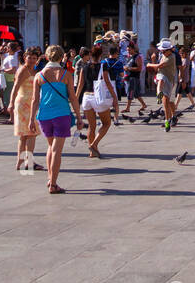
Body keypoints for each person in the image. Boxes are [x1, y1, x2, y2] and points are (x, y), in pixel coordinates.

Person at [29, 44, 82, 192]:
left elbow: (34, 100)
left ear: (46, 57)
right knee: (57, 150)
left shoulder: (39, 76)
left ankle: (49, 179)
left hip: (44, 116)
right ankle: (53, 184)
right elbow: (73, 97)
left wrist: (31, 119)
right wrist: (78, 116)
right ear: (61, 57)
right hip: (61, 115)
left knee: (51, 147)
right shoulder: (65, 75)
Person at [76, 44, 119, 156]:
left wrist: (75, 99)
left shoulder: (84, 67)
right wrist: (114, 97)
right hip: (98, 98)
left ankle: (93, 153)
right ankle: (94, 144)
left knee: (91, 126)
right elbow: (107, 82)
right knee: (106, 123)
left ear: (90, 54)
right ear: (100, 55)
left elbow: (80, 85)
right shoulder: (102, 66)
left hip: (86, 97)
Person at [7, 46, 44, 171]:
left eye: (34, 58)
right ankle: (28, 162)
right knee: (30, 133)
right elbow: (15, 87)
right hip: (24, 103)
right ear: (24, 58)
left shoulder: (33, 70)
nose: (32, 60)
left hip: (29, 103)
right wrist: (11, 103)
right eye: (30, 58)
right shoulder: (23, 70)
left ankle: (20, 162)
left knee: (24, 135)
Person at [147, 39, 178, 131]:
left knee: (170, 102)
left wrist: (150, 64)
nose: (162, 52)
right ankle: (159, 94)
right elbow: (158, 69)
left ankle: (173, 117)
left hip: (171, 80)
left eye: (164, 51)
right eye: (161, 50)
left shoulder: (171, 57)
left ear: (169, 50)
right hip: (163, 77)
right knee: (165, 101)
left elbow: (159, 66)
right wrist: (153, 61)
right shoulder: (163, 55)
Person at [123, 43, 146, 115]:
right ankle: (144, 105)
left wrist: (129, 68)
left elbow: (139, 68)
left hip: (134, 77)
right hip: (129, 77)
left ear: (133, 49)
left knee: (130, 92)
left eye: (129, 50)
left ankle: (127, 108)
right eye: (127, 50)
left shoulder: (137, 57)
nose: (128, 51)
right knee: (136, 93)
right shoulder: (130, 57)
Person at [175, 46, 195, 113]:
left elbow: (182, 70)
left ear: (185, 53)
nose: (181, 54)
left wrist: (181, 78)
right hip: (184, 78)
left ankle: (175, 105)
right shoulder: (184, 59)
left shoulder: (185, 60)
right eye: (180, 53)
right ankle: (193, 103)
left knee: (179, 92)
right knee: (187, 91)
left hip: (183, 78)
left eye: (182, 53)